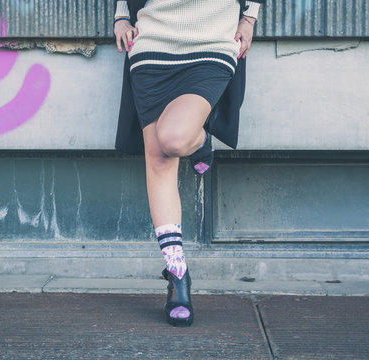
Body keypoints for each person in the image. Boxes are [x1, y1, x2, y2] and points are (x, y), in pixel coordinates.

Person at [113, 0, 261, 327]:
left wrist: (250, 17)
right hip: (151, 46)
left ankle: (200, 141)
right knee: (160, 160)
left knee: (175, 139)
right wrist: (121, 16)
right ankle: (178, 277)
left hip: (211, 44)